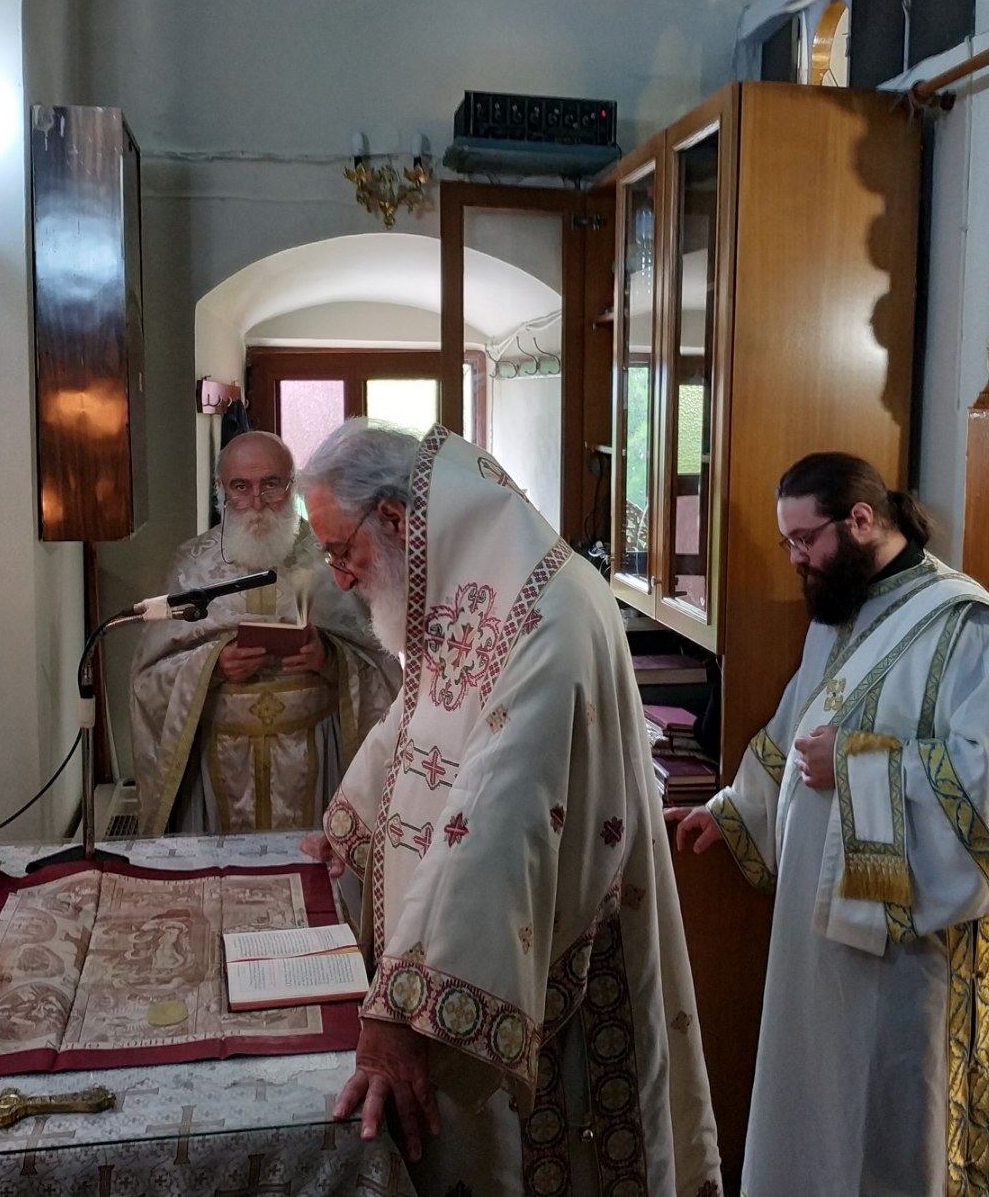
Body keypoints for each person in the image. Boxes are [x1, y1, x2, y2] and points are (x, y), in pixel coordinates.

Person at [297, 419, 721, 1196]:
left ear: (394, 518)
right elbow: (420, 715)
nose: (342, 578)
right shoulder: (476, 589)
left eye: (340, 550)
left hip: (553, 961)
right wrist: (351, 826)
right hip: (465, 932)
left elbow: (499, 810)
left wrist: (404, 1008)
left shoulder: (546, 610)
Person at [669, 452, 989, 1197]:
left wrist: (857, 763)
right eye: (788, 542)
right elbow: (793, 732)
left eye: (805, 539)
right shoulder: (841, 612)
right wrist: (732, 809)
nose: (796, 558)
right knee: (824, 1109)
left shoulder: (963, 626)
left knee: (893, 1117)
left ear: (862, 520)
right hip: (820, 941)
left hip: (909, 953)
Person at [128, 432, 399, 835]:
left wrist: (329, 658)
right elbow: (149, 678)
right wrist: (212, 666)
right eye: (241, 487)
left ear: (292, 484)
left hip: (314, 753)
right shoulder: (192, 564)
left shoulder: (332, 555)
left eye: (271, 484)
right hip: (220, 757)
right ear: (222, 489)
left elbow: (382, 663)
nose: (256, 502)